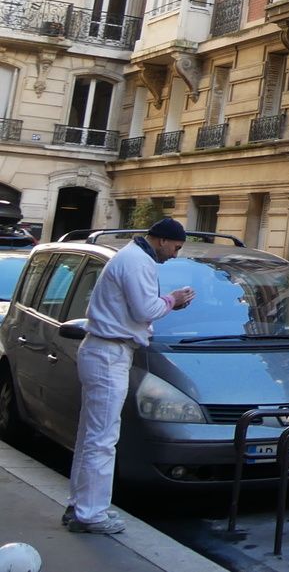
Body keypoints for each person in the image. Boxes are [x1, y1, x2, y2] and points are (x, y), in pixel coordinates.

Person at [63, 218, 195, 535]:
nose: (175, 254)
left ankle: (80, 506)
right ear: (162, 240)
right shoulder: (139, 262)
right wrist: (172, 300)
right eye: (176, 247)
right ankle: (91, 514)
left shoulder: (131, 257)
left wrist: (166, 303)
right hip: (109, 354)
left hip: (102, 350)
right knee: (102, 439)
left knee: (90, 436)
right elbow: (145, 310)